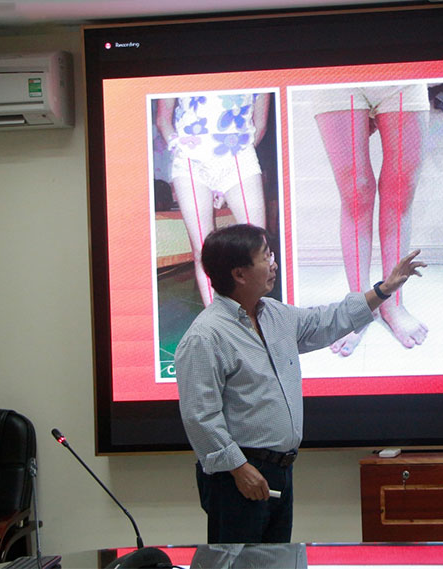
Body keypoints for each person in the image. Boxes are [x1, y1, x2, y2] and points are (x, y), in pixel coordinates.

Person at [174, 223, 425, 544]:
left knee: (276, 560)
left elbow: (326, 320)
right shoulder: (205, 336)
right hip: (237, 475)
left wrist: (384, 289)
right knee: (238, 563)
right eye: (265, 257)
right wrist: (238, 468)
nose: (274, 263)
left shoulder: (273, 314)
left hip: (280, 470)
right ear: (239, 274)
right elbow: (200, 416)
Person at [311, 83, 430, 355]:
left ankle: (393, 302)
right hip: (336, 74)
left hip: (403, 73)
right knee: (355, 192)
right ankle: (360, 305)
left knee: (401, 190)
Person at [155, 93, 271, 307]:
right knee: (203, 250)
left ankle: (255, 318)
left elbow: (260, 123)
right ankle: (218, 321)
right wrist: (178, 146)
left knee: (258, 246)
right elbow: (163, 119)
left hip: (239, 157)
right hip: (191, 160)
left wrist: (234, 158)